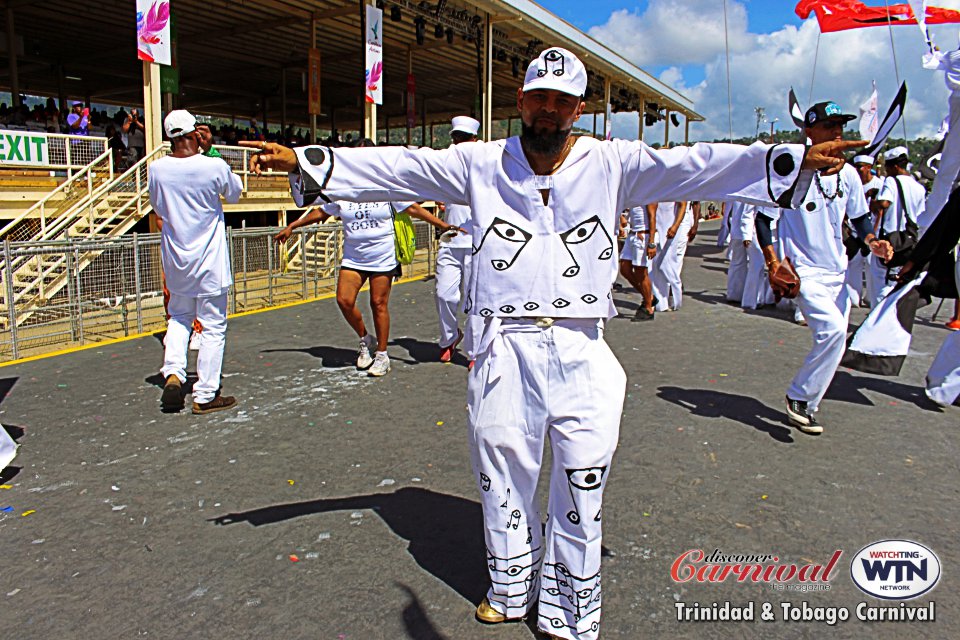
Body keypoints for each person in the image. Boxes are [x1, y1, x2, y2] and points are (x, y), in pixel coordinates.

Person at [243, 47, 859, 640]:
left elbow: (696, 164)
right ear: (520, 100)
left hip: (583, 348)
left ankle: (569, 611)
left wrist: (791, 159)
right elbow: (401, 165)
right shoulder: (479, 163)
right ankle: (510, 590)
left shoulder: (614, 162)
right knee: (502, 472)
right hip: (502, 345)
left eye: (562, 102)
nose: (548, 110)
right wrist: (308, 160)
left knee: (582, 484)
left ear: (579, 109)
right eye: (539, 97)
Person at [755, 101, 892, 435]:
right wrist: (773, 263)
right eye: (829, 126)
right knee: (832, 332)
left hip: (838, 271)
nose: (836, 132)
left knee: (834, 341)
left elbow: (859, 217)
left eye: (840, 126)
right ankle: (799, 397)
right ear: (809, 131)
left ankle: (808, 406)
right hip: (804, 272)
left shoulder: (848, 175)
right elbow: (764, 219)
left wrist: (873, 240)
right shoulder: (791, 172)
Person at [274, 148, 460, 377]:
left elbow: (411, 207)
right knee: (344, 300)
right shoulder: (343, 189)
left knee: (378, 303)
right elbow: (322, 212)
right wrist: (293, 226)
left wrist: (440, 225)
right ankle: (366, 339)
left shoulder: (383, 187)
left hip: (382, 255)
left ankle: (382, 355)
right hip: (354, 256)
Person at [151, 110, 243, 414]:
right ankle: (205, 394)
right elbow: (234, 194)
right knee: (213, 326)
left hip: (177, 257)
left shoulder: (157, 169)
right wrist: (211, 148)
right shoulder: (213, 165)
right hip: (210, 260)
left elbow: (158, 206)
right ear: (196, 133)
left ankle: (174, 373)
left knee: (178, 317)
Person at [435, 116, 484, 364]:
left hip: (477, 242)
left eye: (464, 138)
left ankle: (475, 350)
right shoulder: (445, 164)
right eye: (456, 138)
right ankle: (450, 337)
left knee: (474, 299)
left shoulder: (486, 164)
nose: (459, 143)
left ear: (474, 140)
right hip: (450, 240)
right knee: (444, 294)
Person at [865, 146, 925, 307]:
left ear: (894, 167)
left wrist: (872, 200)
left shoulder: (891, 181)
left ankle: (877, 323)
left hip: (890, 238)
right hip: (908, 240)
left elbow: (884, 203)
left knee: (881, 283)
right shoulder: (919, 187)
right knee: (896, 282)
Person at [651, 201, 694, 312]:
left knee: (667, 263)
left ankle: (676, 297)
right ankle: (661, 304)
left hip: (670, 229)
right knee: (655, 266)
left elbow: (682, 205)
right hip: (655, 228)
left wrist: (675, 226)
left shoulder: (672, 186)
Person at [618, 204, 657, 320]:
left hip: (643, 235)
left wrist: (651, 242)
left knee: (641, 272)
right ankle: (649, 297)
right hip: (632, 234)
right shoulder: (636, 194)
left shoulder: (649, 195)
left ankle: (649, 309)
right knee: (624, 269)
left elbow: (652, 217)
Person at [724, 200, 749, 303]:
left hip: (737, 229)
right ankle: (750, 296)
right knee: (754, 265)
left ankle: (734, 293)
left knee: (736, 264)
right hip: (747, 230)